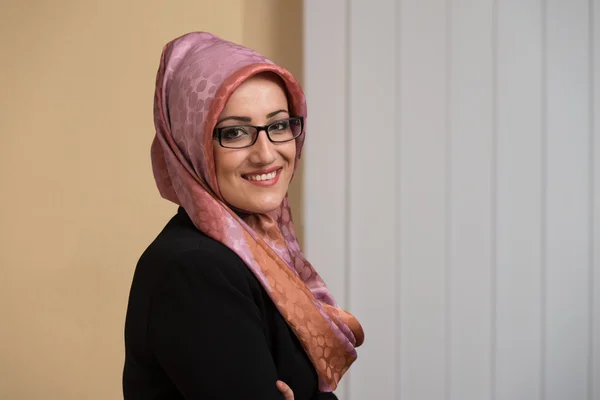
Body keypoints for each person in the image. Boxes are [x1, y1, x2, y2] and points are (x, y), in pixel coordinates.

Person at [123, 32, 364, 400]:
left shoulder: (255, 251)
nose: (266, 154)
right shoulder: (194, 270)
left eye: (279, 125)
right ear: (192, 144)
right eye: (235, 132)